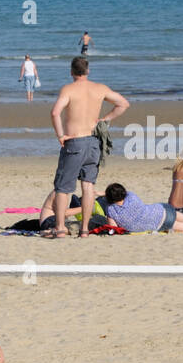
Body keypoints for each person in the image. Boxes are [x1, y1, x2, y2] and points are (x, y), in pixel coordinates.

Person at [48, 56, 130, 237]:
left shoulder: (68, 89)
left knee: (63, 188)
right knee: (88, 187)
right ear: (87, 71)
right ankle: (85, 229)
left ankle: (60, 227)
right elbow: (123, 103)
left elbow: (55, 112)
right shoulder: (99, 89)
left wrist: (60, 135)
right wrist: (104, 119)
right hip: (94, 142)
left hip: (74, 142)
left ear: (71, 71)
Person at [103, 182, 183, 231]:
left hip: (155, 226)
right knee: (173, 214)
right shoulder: (131, 197)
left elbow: (114, 228)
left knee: (175, 225)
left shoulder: (110, 210)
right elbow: (125, 193)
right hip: (160, 212)